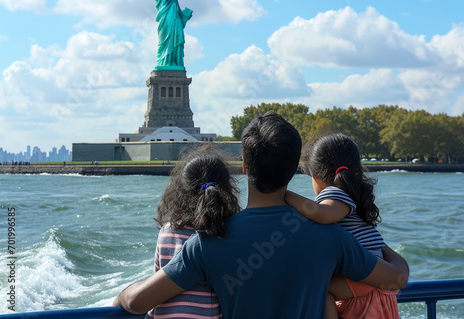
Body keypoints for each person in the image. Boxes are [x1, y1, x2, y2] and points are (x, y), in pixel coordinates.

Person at [113, 112, 409, 319]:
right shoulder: (331, 235)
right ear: (295, 169)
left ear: (244, 165)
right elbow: (396, 278)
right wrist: (380, 245)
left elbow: (138, 302)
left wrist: (121, 297)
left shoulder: (209, 241)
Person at [286, 133, 400, 319]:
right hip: (374, 269)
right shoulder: (351, 193)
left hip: (368, 271)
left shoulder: (336, 192)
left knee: (320, 290)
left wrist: (285, 195)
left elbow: (324, 215)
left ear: (317, 177)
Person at [146, 147, 241, 319]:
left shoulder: (168, 232)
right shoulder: (231, 234)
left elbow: (157, 284)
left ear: (179, 192)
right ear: (227, 190)